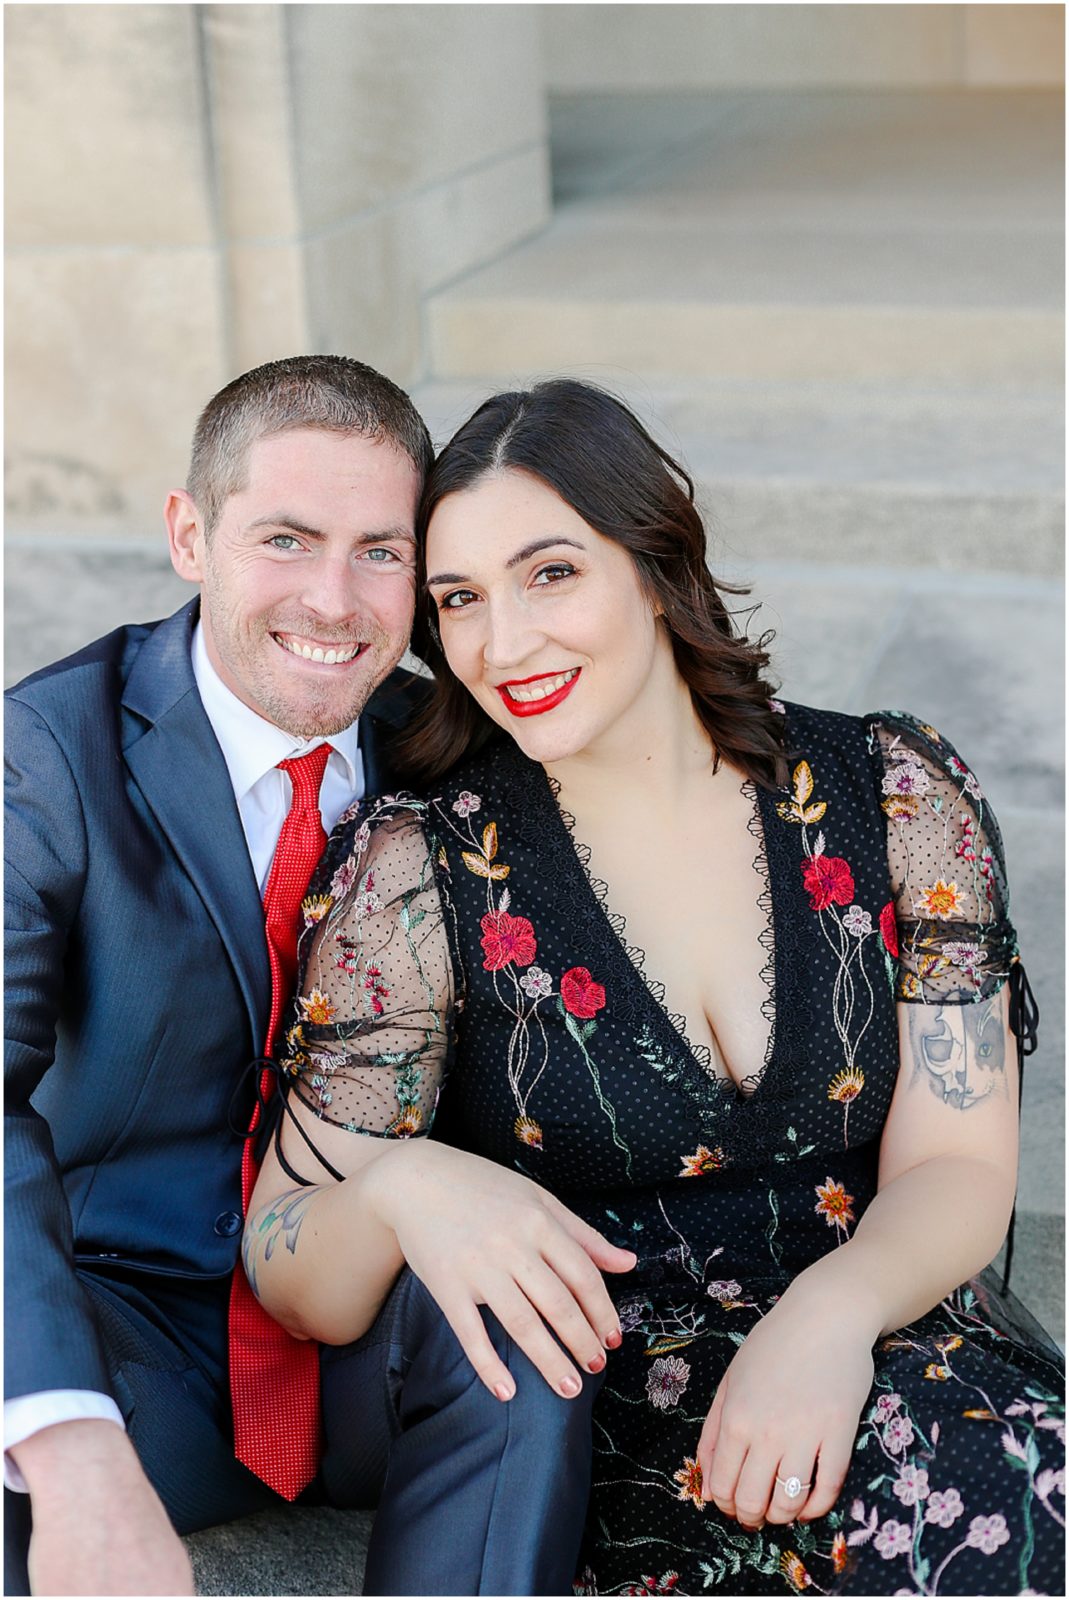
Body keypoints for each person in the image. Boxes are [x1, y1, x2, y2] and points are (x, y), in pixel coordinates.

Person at [249, 379, 1064, 1596]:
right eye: (459, 600)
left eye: (551, 574)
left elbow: (958, 1158)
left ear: (656, 560)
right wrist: (408, 1179)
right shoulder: (427, 872)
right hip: (634, 1422)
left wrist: (833, 1318)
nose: (503, 644)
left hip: (895, 1324)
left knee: (1015, 1487)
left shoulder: (892, 793)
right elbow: (291, 1267)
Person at [5, 356, 625, 1600]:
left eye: (380, 552)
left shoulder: (456, 744)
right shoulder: (43, 758)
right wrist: (70, 1442)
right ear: (191, 534)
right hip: (127, 1319)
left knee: (531, 1325)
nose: (333, 601)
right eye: (286, 540)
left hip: (373, 1308)